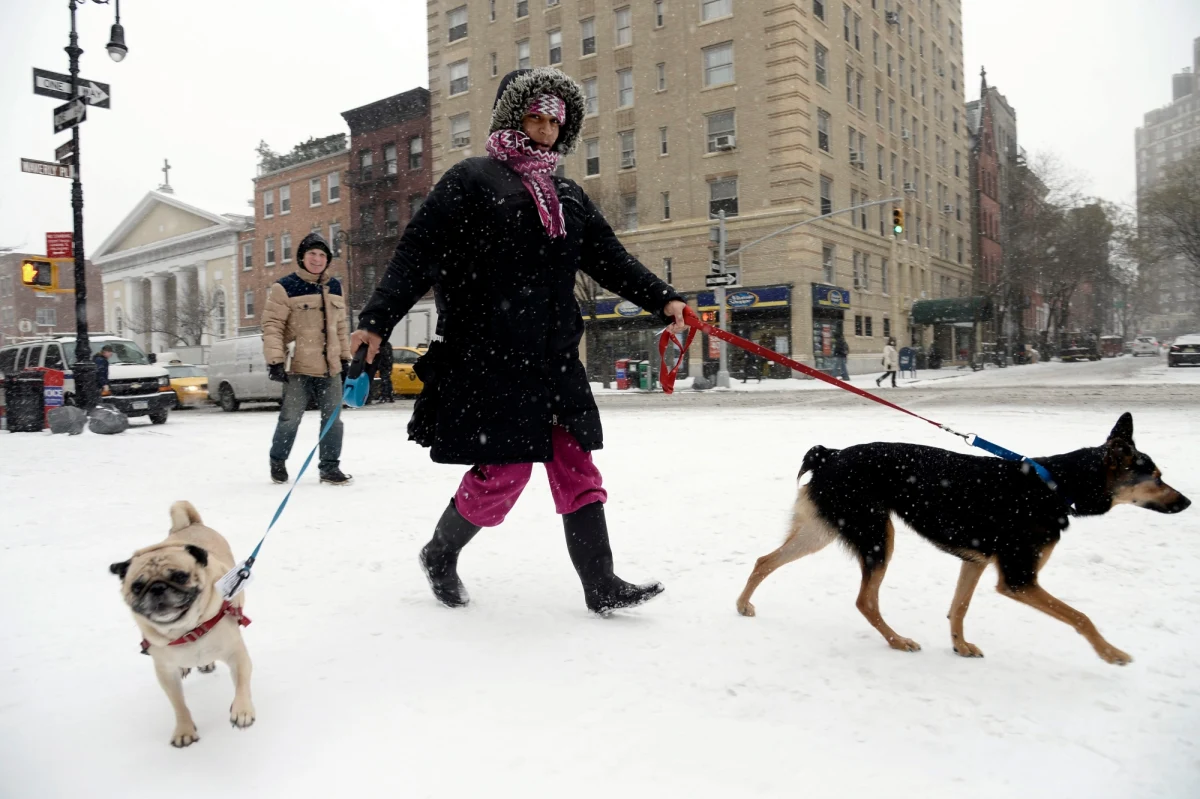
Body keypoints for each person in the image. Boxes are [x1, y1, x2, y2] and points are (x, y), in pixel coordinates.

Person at [351, 67, 687, 615]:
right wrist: (377, 319)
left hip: (555, 358)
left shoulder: (568, 195)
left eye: (556, 121)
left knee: (577, 465)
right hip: (492, 357)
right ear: (512, 116)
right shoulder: (472, 179)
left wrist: (664, 298)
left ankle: (600, 582)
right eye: (536, 117)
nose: (547, 130)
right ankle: (440, 553)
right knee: (504, 475)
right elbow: (417, 251)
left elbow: (610, 258)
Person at [261, 232, 353, 486]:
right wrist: (275, 360)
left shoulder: (335, 287)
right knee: (290, 419)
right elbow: (272, 326)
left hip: (330, 368)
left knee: (333, 420)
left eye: (322, 255)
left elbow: (340, 327)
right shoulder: (284, 287)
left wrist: (345, 358)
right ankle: (278, 460)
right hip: (298, 368)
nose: (317, 259)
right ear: (302, 257)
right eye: (312, 253)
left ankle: (330, 467)